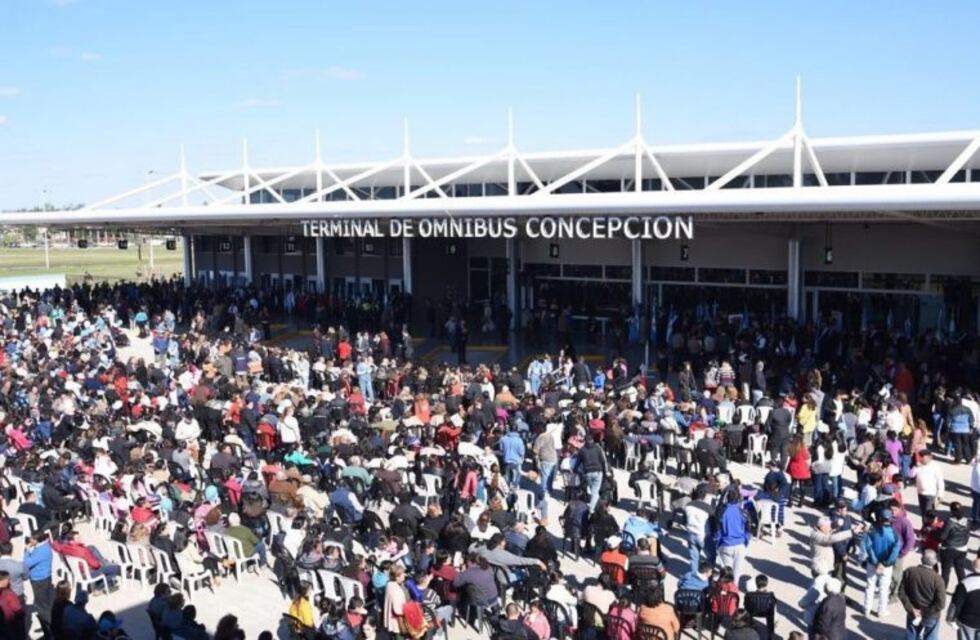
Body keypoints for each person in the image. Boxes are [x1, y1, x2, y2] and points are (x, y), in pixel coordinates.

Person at [898, 549, 946, 640]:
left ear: (921, 558)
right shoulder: (938, 579)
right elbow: (941, 603)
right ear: (935, 561)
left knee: (911, 634)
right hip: (931, 615)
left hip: (913, 612)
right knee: (931, 636)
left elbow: (901, 592)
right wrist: (924, 612)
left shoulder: (909, 571)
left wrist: (911, 608)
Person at [862, 510, 901, 618]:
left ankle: (866, 609)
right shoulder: (894, 535)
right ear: (890, 519)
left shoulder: (872, 531)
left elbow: (868, 547)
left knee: (870, 586)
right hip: (886, 566)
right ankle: (881, 611)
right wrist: (884, 564)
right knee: (884, 589)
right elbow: (895, 552)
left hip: (872, 563)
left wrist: (876, 562)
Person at [715, 490, 751, 586]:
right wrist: (746, 540)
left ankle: (727, 592)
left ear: (727, 498)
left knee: (727, 573)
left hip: (726, 544)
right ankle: (734, 592)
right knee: (737, 572)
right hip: (740, 545)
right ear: (739, 499)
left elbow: (717, 529)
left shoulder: (722, 511)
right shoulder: (743, 512)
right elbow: (748, 527)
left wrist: (717, 542)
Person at [946, 556, 980, 639]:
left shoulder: (965, 583)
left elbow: (956, 604)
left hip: (967, 621)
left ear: (972, 567)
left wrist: (950, 619)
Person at [0, 571, 25, 640]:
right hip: (11, 627)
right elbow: (18, 612)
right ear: (4, 580)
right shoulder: (9, 594)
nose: (9, 581)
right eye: (8, 579)